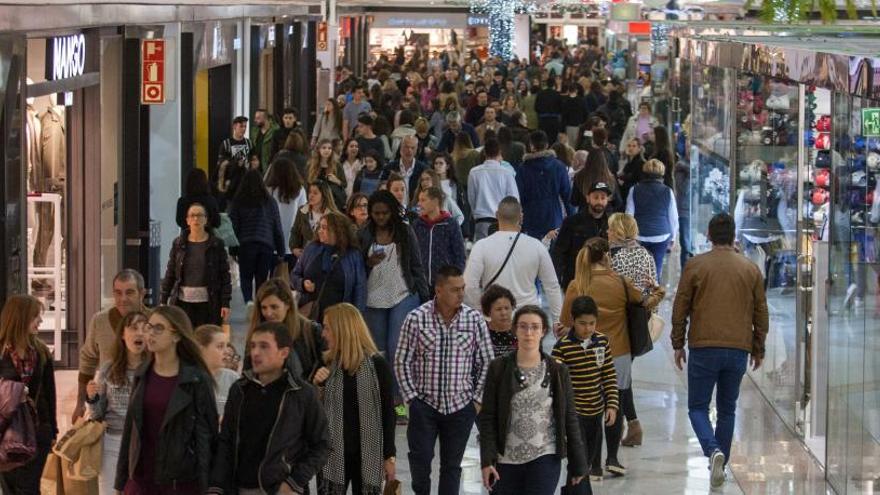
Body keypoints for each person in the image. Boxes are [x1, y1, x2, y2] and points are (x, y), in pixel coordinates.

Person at [671, 212, 769, 490]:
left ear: (710, 236)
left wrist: (678, 342)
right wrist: (758, 347)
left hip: (703, 346)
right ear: (733, 235)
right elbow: (761, 313)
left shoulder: (695, 266)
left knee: (697, 407)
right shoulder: (750, 269)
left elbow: (681, 307)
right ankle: (720, 465)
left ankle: (712, 450)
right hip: (738, 348)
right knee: (728, 410)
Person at [559, 238, 664, 478]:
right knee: (613, 403)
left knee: (592, 407)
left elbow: (565, 321)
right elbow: (645, 303)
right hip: (619, 352)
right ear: (607, 255)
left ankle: (593, 466)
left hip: (585, 355)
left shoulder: (578, 285)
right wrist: (659, 291)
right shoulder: (621, 282)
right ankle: (613, 458)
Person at [395, 265, 495, 495]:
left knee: (452, 467)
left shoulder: (474, 320)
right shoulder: (416, 319)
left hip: (461, 407)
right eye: (454, 289)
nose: (461, 294)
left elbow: (487, 364)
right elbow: (401, 361)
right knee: (420, 463)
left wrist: (477, 401)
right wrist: (411, 399)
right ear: (438, 291)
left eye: (462, 289)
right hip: (425, 406)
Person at [208, 321, 330, 495]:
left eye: (264, 346)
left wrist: (293, 482)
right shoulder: (240, 389)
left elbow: (322, 445)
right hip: (239, 487)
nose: (256, 352)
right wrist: (216, 486)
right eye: (253, 346)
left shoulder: (302, 393)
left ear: (284, 352)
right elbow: (226, 441)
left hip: (280, 488)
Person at [480, 305, 587, 495]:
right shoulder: (498, 368)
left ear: (543, 331)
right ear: (515, 330)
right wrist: (487, 460)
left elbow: (570, 417)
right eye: (523, 326)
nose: (529, 332)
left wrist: (578, 462)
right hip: (505, 460)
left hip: (544, 456)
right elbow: (488, 417)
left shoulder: (557, 371)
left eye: (535, 327)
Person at [115, 305, 218, 494]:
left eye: (158, 328)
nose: (150, 334)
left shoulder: (196, 379)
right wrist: (121, 483)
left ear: (176, 336)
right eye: (149, 326)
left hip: (180, 483)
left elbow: (207, 436)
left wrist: (209, 487)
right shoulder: (142, 374)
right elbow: (131, 430)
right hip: (141, 480)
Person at [312, 304, 397, 494]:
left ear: (342, 330)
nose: (323, 334)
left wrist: (390, 456)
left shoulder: (378, 366)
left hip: (368, 454)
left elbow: (389, 413)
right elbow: (313, 415)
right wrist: (317, 386)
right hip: (332, 456)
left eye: (327, 328)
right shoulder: (325, 364)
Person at [359, 190, 429, 419]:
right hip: (373, 297)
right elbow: (356, 268)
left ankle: (398, 402)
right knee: (378, 352)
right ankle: (380, 400)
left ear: (392, 212)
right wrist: (368, 263)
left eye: (384, 213)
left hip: (403, 294)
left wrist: (426, 298)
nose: (380, 217)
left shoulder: (405, 232)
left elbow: (416, 266)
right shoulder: (363, 234)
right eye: (376, 213)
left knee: (397, 349)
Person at [464, 196, 563, 324]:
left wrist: (484, 308)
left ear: (496, 215)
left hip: (495, 320)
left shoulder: (481, 246)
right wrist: (556, 321)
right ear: (521, 217)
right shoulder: (536, 246)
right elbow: (552, 286)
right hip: (529, 320)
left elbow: (469, 285)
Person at [551, 295, 619, 482]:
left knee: (588, 462)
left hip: (596, 412)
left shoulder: (602, 342)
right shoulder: (562, 347)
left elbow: (609, 375)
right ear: (572, 321)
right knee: (577, 463)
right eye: (582, 323)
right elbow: (556, 384)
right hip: (574, 415)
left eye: (592, 323)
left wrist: (611, 405)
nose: (587, 328)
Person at [86, 310, 149, 495]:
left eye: (144, 328)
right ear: (122, 334)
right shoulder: (109, 369)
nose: (139, 333)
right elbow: (97, 414)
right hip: (113, 441)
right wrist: (92, 398)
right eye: (133, 328)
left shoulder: (155, 368)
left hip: (145, 443)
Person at [0, 295, 57, 494]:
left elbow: (49, 393)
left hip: (37, 430)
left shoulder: (41, 352)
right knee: (10, 488)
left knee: (29, 488)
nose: (40, 321)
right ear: (21, 318)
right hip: (7, 431)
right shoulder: (2, 353)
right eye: (36, 316)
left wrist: (53, 430)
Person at [74, 269, 147, 423]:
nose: (123, 299)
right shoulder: (100, 321)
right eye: (118, 293)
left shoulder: (153, 321)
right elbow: (88, 360)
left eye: (129, 293)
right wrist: (80, 403)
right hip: (110, 411)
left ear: (142, 294)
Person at [161, 202, 232, 327]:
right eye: (192, 215)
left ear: (206, 220)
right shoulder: (179, 244)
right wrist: (163, 298)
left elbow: (224, 275)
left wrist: (225, 302)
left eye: (200, 215)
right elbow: (171, 271)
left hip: (209, 303)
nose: (196, 219)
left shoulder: (216, 244)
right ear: (187, 220)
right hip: (183, 302)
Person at [292, 211, 367, 321]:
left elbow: (360, 288)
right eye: (319, 227)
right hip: (310, 313)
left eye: (324, 228)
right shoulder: (311, 248)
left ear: (337, 231)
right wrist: (302, 284)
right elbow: (294, 275)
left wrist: (356, 317)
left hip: (338, 318)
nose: (319, 231)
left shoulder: (353, 255)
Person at [248, 278, 325, 382]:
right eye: (264, 308)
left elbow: (326, 365)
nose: (268, 313)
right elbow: (248, 371)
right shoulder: (256, 332)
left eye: (274, 307)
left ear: (287, 305)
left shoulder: (310, 330)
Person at [229, 169, 286, 304]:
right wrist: (281, 251)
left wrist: (233, 250)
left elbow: (234, 227)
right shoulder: (270, 201)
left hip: (246, 245)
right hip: (266, 245)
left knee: (246, 277)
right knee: (262, 279)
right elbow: (277, 227)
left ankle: (249, 302)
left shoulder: (238, 201)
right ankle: (261, 305)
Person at [625, 158, 678, 280]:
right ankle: (654, 295)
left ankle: (641, 295)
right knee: (656, 268)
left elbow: (629, 215)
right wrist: (673, 237)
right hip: (661, 235)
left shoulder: (634, 190)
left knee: (639, 270)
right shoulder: (667, 191)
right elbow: (673, 217)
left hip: (639, 235)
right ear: (662, 174)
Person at [553, 181, 612, 291]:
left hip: (603, 281)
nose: (599, 201)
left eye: (603, 198)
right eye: (596, 197)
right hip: (576, 279)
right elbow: (559, 252)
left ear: (607, 200)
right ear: (588, 198)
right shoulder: (571, 222)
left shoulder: (612, 223)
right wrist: (557, 279)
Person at [516, 130, 572, 239]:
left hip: (531, 220)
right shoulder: (559, 166)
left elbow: (518, 196)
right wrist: (572, 220)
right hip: (554, 219)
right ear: (547, 145)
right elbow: (567, 196)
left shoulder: (523, 169)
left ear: (531, 146)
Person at [412, 187, 467, 287]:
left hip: (445, 285)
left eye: (423, 200)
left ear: (435, 201)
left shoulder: (450, 224)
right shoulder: (417, 225)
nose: (419, 204)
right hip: (422, 285)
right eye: (419, 200)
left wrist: (454, 279)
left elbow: (460, 255)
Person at [468, 138, 519, 240]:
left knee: (484, 254)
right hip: (503, 221)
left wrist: (476, 213)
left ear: (484, 153)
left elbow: (471, 198)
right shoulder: (507, 172)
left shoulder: (474, 172)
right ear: (500, 152)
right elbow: (514, 199)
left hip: (481, 220)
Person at [266, 156, 308, 263]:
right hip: (292, 242)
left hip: (271, 241)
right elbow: (304, 212)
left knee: (272, 277)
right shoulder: (299, 189)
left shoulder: (269, 189)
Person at [194, 324, 240, 415]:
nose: (226, 351)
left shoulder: (233, 378)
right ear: (201, 349)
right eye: (220, 346)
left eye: (227, 345)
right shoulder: (188, 377)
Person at [290, 181, 338, 259]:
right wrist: (294, 248)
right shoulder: (302, 211)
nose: (311, 196)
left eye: (315, 193)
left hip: (325, 257)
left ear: (324, 195)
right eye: (310, 192)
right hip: (305, 257)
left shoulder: (332, 215)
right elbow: (295, 231)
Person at [216, 116, 253, 210]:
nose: (244, 129)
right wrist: (235, 163)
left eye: (245, 126)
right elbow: (221, 164)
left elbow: (254, 158)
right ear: (234, 127)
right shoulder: (226, 144)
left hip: (246, 184)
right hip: (230, 185)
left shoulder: (249, 143)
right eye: (241, 126)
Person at [307, 139, 348, 209]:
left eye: (329, 148)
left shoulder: (337, 165)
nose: (327, 150)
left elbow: (344, 184)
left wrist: (336, 180)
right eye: (324, 148)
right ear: (319, 150)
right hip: (316, 200)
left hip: (333, 201)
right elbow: (307, 182)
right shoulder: (311, 165)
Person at [479, 285, 517, 357]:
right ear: (488, 311)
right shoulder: (481, 331)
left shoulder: (520, 329)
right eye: (498, 309)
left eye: (507, 308)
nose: (504, 313)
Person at [388, 134, 428, 203]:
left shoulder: (424, 169)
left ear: (416, 150)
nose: (409, 150)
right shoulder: (389, 167)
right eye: (406, 147)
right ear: (400, 148)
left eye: (412, 148)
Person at [250, 108, 279, 174]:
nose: (255, 120)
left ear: (265, 119)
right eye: (255, 118)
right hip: (256, 167)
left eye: (258, 118)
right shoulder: (254, 131)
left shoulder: (275, 131)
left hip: (269, 167)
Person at [534, 78, 563, 145]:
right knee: (553, 139)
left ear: (546, 84)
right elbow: (561, 108)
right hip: (554, 120)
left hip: (543, 120)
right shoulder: (557, 94)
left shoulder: (540, 94)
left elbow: (536, 108)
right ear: (554, 85)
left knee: (542, 139)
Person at [618, 137, 646, 202]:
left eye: (634, 146)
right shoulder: (629, 163)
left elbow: (638, 180)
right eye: (629, 146)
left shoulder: (641, 163)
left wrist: (623, 179)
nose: (631, 148)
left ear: (639, 148)